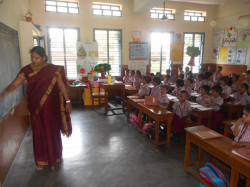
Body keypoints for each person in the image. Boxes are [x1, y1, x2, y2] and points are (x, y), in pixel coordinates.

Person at [0, 46, 72, 171]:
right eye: (32, 57)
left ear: (44, 57)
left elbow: (61, 85)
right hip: (35, 105)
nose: (34, 60)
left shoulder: (53, 69)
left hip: (51, 105)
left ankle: (56, 155)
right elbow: (15, 84)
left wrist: (68, 101)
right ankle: (41, 159)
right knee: (38, 130)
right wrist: (4, 93)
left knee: (52, 128)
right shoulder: (27, 70)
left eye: (37, 58)